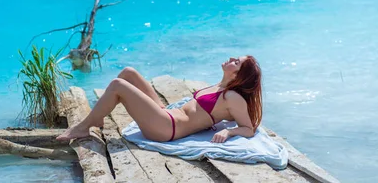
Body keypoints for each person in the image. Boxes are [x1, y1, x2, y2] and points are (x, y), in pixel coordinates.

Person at [56, 55, 262, 143]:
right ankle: (98, 117)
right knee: (129, 73)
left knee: (118, 86)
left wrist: (228, 130)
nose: (232, 59)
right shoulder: (219, 85)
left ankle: (83, 127)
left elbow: (249, 128)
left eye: (237, 62)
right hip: (167, 114)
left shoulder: (233, 97)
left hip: (167, 128)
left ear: (238, 75)